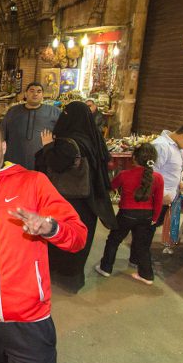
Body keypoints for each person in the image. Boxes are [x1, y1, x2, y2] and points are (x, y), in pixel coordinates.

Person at [0, 118, 87, 363]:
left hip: (29, 319)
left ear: (4, 146)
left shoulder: (34, 182)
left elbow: (78, 236)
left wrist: (50, 227)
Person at [35, 101, 117, 293]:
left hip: (69, 199)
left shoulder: (68, 142)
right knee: (81, 237)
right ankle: (74, 278)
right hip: (88, 199)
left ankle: (61, 277)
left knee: (63, 235)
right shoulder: (94, 137)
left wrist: (47, 146)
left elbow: (55, 164)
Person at [95, 143, 164, 285]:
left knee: (114, 240)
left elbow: (110, 187)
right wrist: (155, 218)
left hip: (126, 214)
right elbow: (158, 201)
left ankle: (105, 268)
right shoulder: (158, 178)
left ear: (134, 158)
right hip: (147, 216)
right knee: (142, 246)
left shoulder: (124, 175)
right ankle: (146, 275)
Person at [147, 122, 183, 252]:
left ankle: (141, 256)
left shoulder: (176, 147)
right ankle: (139, 259)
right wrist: (160, 195)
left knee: (153, 226)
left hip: (166, 197)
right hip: (158, 197)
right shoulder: (161, 146)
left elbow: (171, 168)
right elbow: (150, 173)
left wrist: (179, 181)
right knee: (147, 229)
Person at [2, 82, 61, 169]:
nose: (35, 94)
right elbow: (3, 133)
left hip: (42, 161)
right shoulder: (13, 111)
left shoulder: (54, 112)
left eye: (39, 91)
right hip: (14, 160)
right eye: (32, 91)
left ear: (43, 95)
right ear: (26, 94)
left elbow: (61, 134)